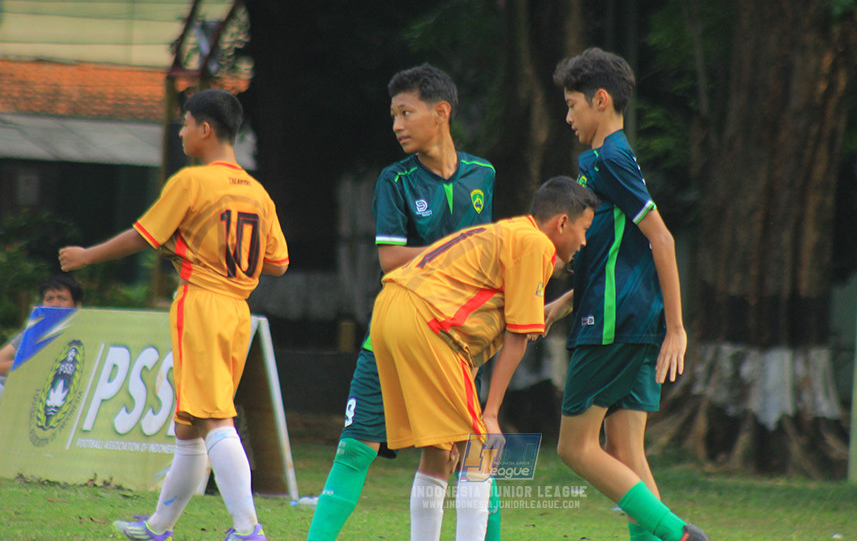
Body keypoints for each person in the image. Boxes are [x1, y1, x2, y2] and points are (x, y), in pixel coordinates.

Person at [58, 89, 289, 541]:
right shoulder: (258, 192)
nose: (181, 131)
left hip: (201, 304)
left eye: (185, 123)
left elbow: (143, 236)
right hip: (238, 311)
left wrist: (87, 256)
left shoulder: (191, 182)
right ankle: (159, 527)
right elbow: (278, 262)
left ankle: (248, 529)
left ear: (205, 130)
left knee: (215, 419)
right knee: (189, 426)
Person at [307, 64, 497, 540]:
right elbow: (391, 259)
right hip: (394, 332)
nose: (396, 125)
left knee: (461, 452)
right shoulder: (396, 181)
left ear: (441, 112)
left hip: (454, 339)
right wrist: (457, 250)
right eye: (393, 115)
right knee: (355, 448)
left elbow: (487, 261)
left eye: (405, 112)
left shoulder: (483, 175)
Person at [371, 176, 598, 541]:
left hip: (391, 313)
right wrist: (489, 413)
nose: (584, 241)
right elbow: (517, 336)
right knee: (482, 450)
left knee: (440, 451)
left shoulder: (508, 234)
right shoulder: (535, 245)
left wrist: (558, 306)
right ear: (562, 223)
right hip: (428, 325)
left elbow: (486, 327)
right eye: (584, 229)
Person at [545, 48, 710, 541]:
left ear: (600, 99)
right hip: (633, 320)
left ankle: (680, 534)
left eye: (573, 105)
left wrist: (678, 329)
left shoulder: (609, 158)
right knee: (626, 451)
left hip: (614, 324)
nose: (568, 116)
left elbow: (661, 238)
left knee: (574, 449)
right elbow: (618, 254)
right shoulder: (606, 161)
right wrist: (564, 302)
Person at [0, 273, 83, 397]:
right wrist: (24, 366)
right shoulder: (34, 330)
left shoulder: (82, 334)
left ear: (77, 305)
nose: (55, 304)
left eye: (61, 298)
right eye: (49, 299)